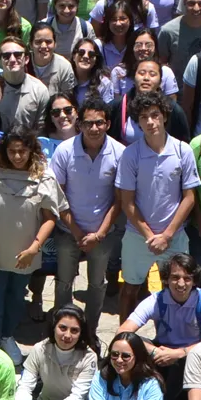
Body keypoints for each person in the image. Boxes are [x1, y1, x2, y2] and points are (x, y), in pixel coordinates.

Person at [0, 129, 62, 361]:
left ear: (32, 150)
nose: (17, 156)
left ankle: (7, 337)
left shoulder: (44, 176)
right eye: (12, 151)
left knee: (15, 300)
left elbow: (50, 216)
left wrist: (34, 248)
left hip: (25, 255)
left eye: (22, 151)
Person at [115, 91, 200, 319]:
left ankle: (173, 342)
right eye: (143, 117)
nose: (150, 121)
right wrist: (150, 236)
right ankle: (124, 344)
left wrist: (167, 236)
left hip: (174, 237)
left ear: (164, 115)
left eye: (154, 115)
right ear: (138, 122)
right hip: (137, 237)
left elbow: (189, 197)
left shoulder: (183, 151)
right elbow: (127, 202)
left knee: (179, 291)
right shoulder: (130, 155)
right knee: (130, 290)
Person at [51, 97, 125, 328]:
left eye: (99, 123)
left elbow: (119, 200)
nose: (94, 128)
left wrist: (99, 234)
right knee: (63, 282)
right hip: (67, 231)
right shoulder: (64, 151)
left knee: (97, 284)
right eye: (88, 123)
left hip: (101, 234)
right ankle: (61, 328)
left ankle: (90, 331)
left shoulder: (120, 153)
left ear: (108, 124)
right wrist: (75, 230)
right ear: (79, 124)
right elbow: (58, 196)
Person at [116, 253, 201, 394]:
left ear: (195, 281)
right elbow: (122, 332)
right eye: (175, 277)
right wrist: (154, 351)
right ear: (166, 279)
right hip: (160, 352)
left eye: (187, 278)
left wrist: (178, 354)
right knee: (128, 346)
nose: (181, 283)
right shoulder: (156, 300)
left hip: (193, 355)